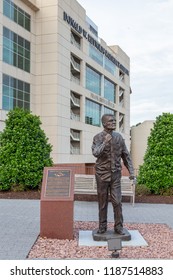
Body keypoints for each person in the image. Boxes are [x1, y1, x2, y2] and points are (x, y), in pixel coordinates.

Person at [92, 114, 134, 235]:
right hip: (102, 175)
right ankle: (102, 226)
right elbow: (95, 153)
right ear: (104, 124)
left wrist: (131, 172)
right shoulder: (97, 137)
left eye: (115, 121)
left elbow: (126, 155)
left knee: (117, 201)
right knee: (102, 202)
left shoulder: (119, 138)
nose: (114, 122)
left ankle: (119, 227)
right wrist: (105, 142)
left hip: (115, 175)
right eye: (111, 121)